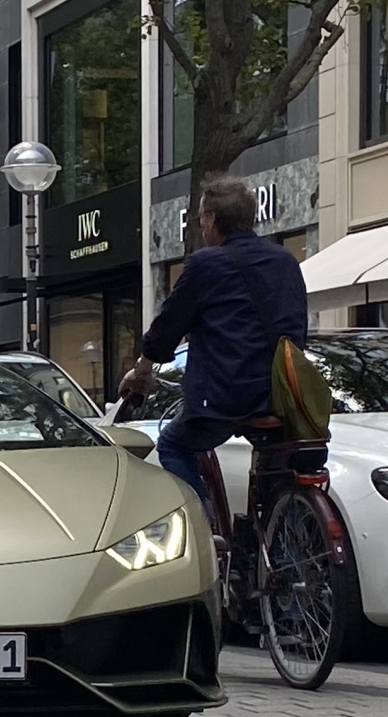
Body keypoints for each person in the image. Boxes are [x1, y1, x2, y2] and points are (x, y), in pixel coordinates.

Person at [116, 172, 308, 507]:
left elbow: (167, 328)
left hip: (225, 398)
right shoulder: (286, 261)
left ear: (211, 219)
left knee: (174, 445)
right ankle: (281, 537)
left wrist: (143, 369)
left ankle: (204, 530)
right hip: (283, 397)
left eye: (201, 219)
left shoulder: (206, 264)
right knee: (275, 468)